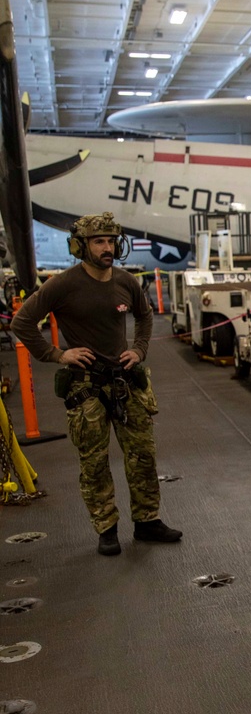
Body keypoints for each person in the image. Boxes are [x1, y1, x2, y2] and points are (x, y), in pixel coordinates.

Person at [12, 212, 182, 556]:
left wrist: (139, 349)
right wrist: (57, 354)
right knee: (94, 463)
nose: (108, 248)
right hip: (86, 388)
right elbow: (23, 321)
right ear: (81, 246)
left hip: (127, 383)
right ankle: (107, 529)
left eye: (111, 241)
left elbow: (144, 315)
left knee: (143, 456)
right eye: (99, 241)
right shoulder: (63, 284)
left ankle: (147, 521)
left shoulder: (125, 281)